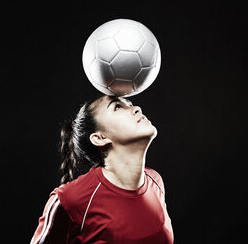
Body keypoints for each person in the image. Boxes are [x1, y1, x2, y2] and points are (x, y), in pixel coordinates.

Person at [30, 95, 174, 244]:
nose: (137, 108)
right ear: (100, 138)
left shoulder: (155, 181)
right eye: (117, 107)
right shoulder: (70, 199)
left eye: (130, 104)